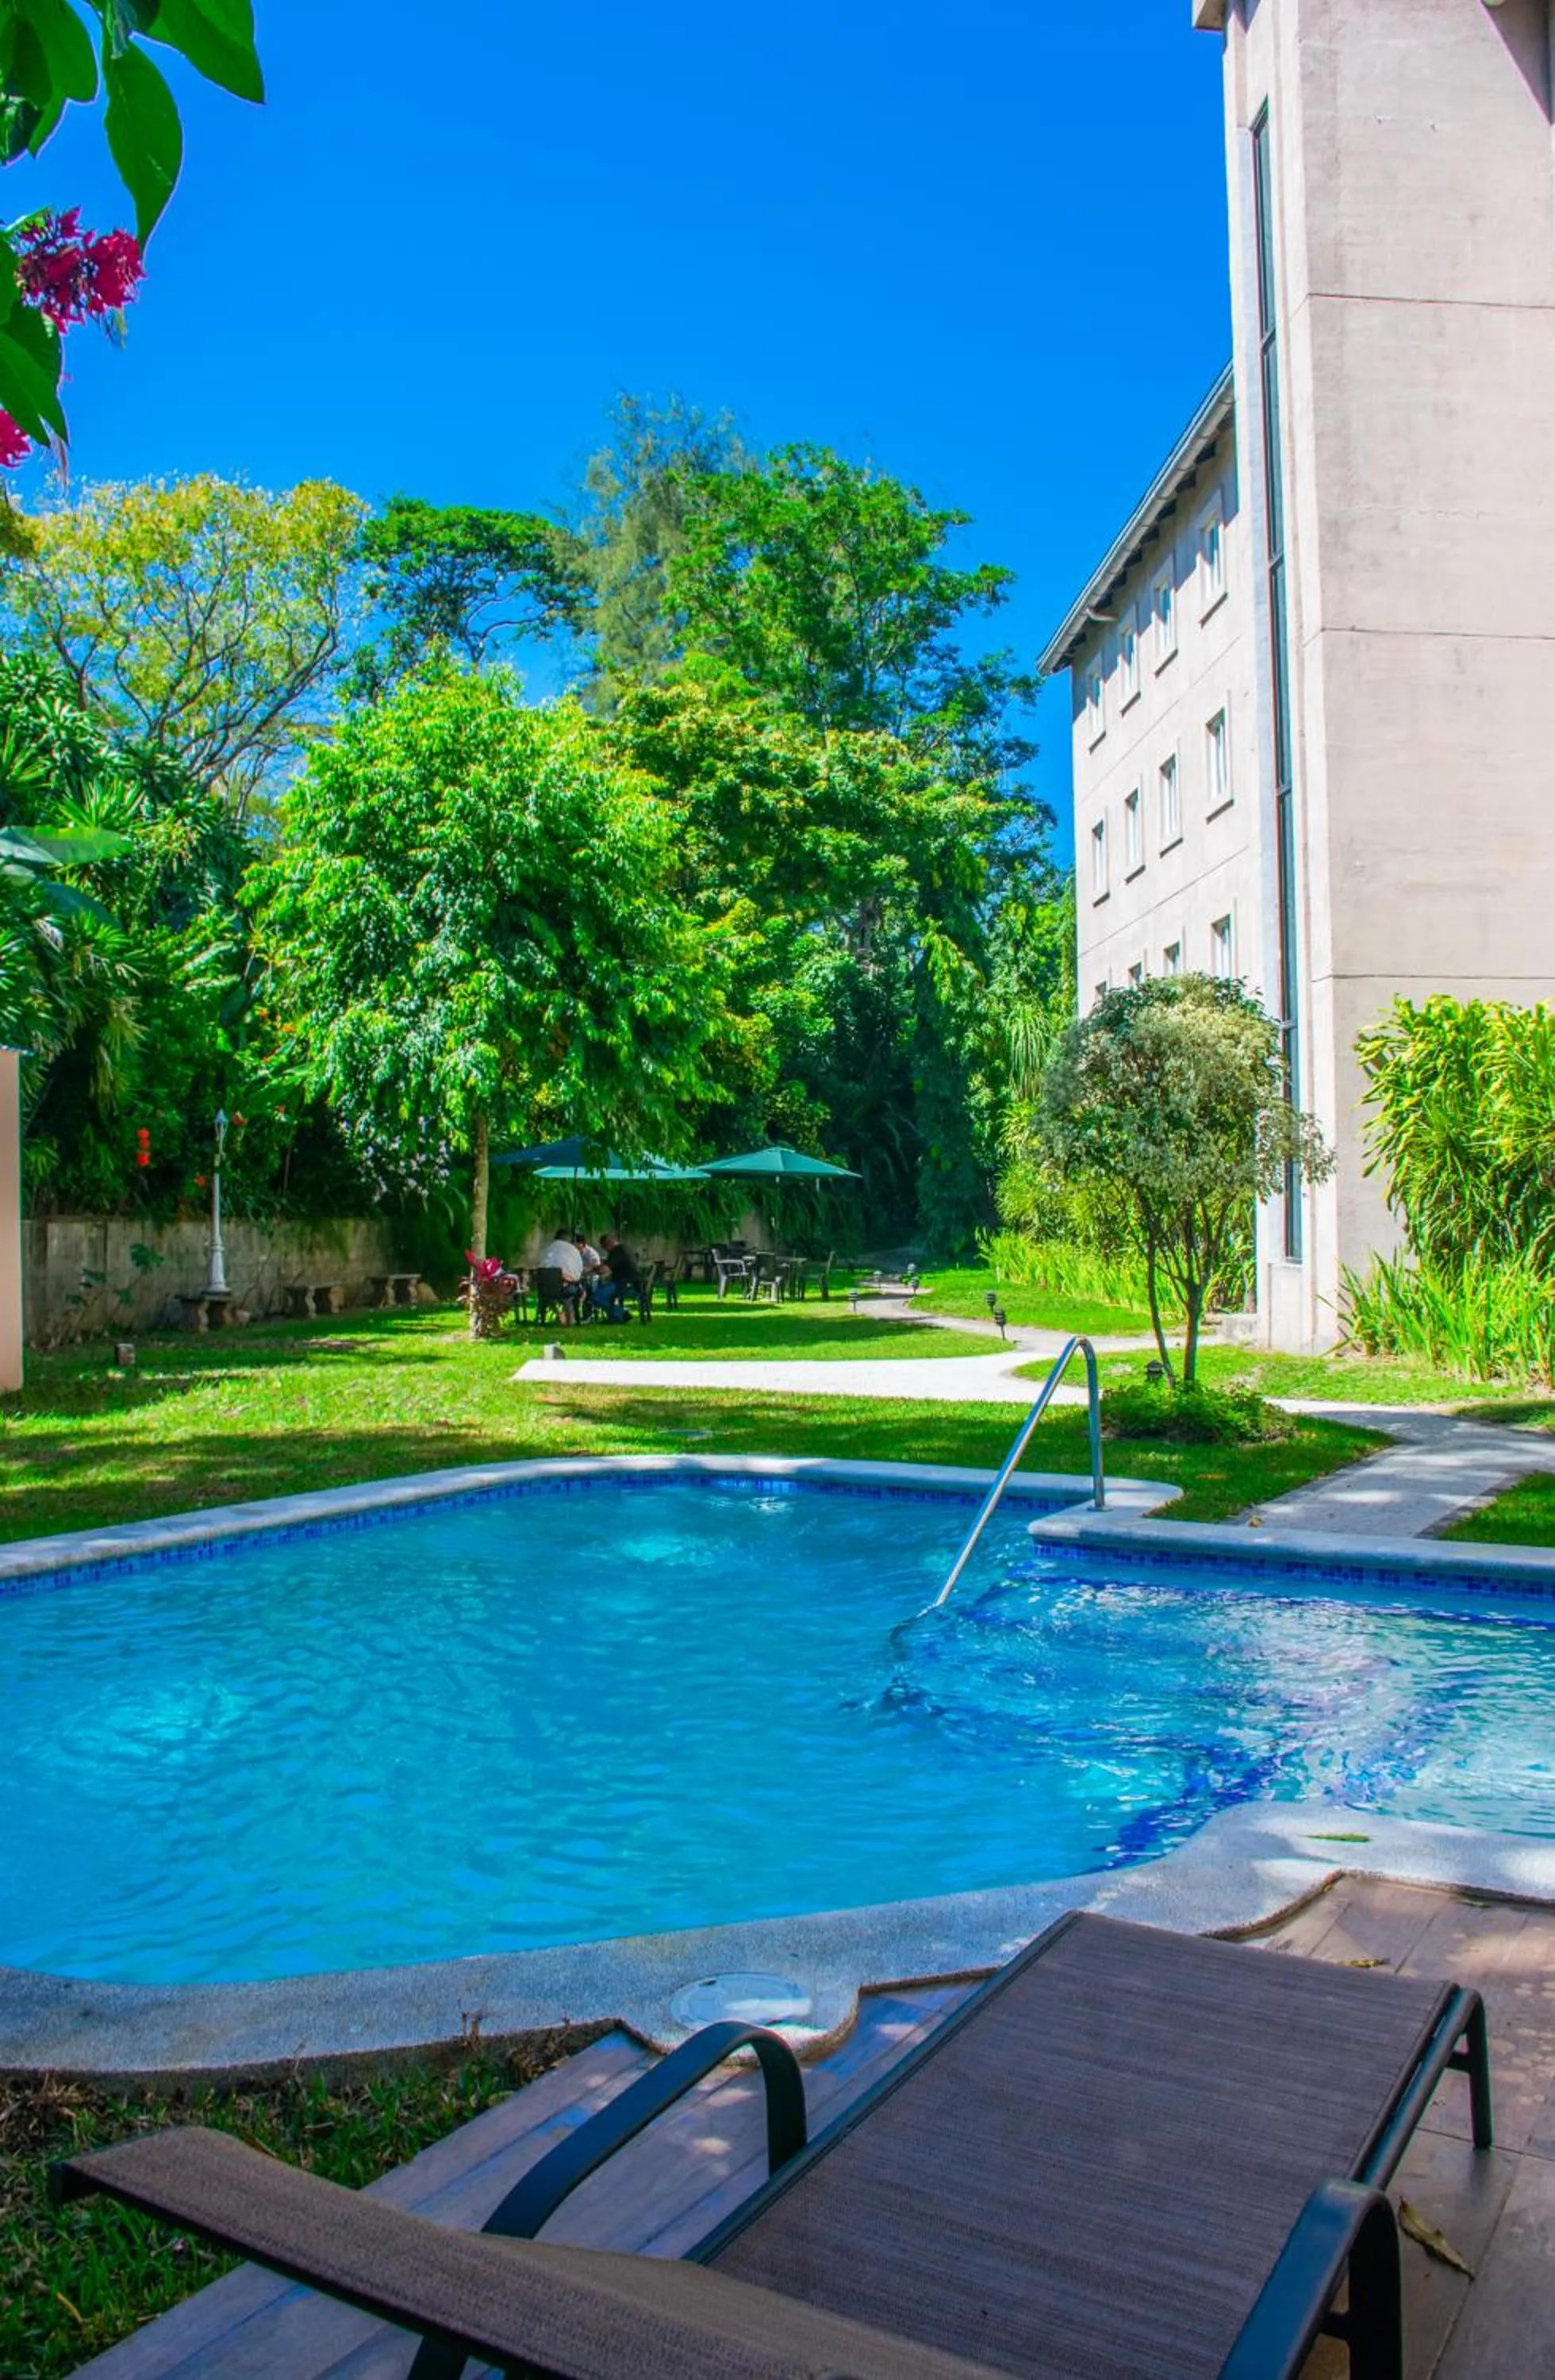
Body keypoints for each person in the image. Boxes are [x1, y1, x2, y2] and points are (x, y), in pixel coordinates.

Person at [591, 1230, 643, 1323]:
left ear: (607, 1246)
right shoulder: (625, 1248)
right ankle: (614, 1317)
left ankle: (622, 1314)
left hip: (626, 1285)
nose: (606, 1251)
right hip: (634, 1284)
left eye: (604, 1248)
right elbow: (612, 1268)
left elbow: (604, 1270)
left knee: (597, 1296)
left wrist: (594, 1269)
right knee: (602, 1292)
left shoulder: (617, 1252)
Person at [537, 1227, 583, 1325]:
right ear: (569, 1239)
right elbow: (579, 1272)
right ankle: (569, 1316)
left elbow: (541, 1268)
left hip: (548, 1289)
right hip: (569, 1288)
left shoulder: (547, 1249)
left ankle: (554, 1313)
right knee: (573, 1292)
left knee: (546, 1296)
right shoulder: (574, 1250)